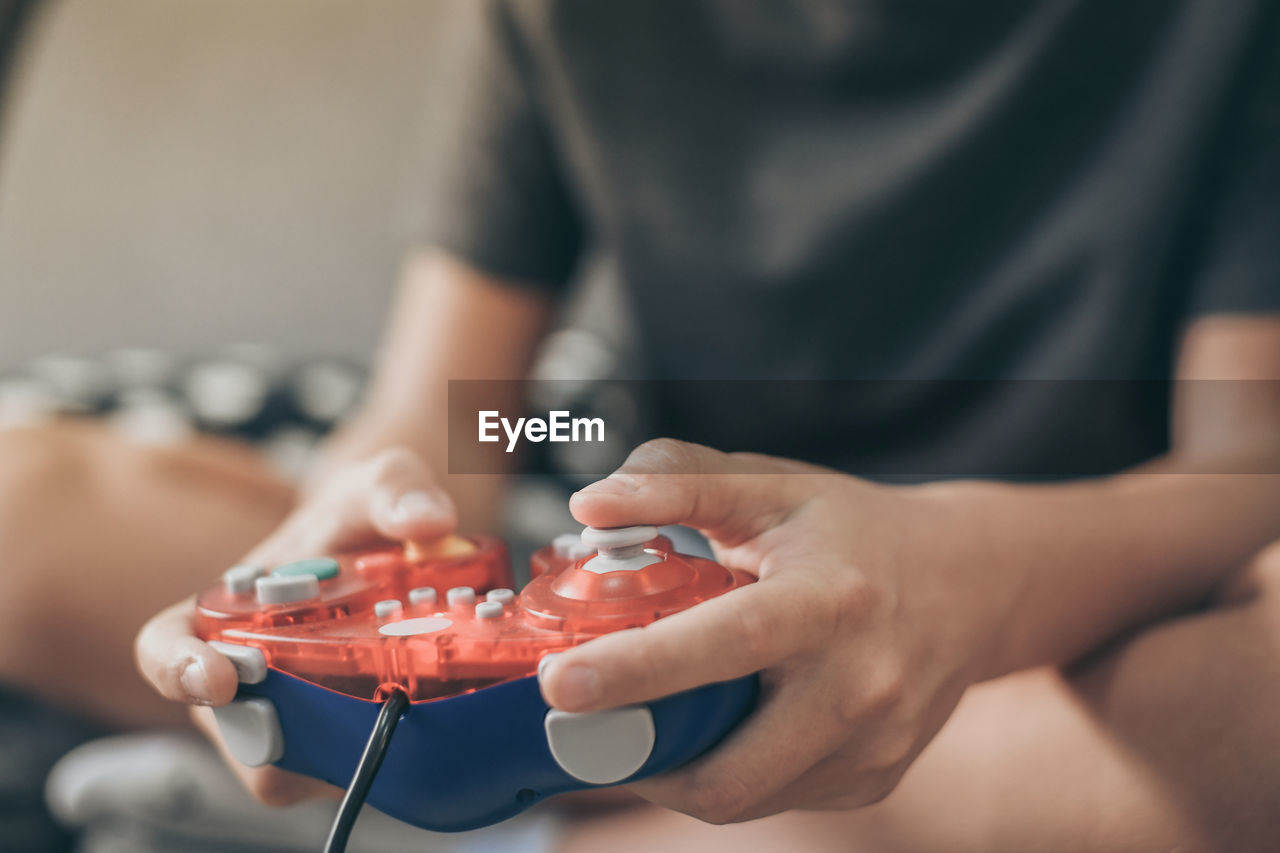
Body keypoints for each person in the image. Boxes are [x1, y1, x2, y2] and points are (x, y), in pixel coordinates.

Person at [3, 1, 1279, 849]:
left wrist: (962, 582)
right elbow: (449, 423)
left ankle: (507, 818)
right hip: (638, 560)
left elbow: (1246, 471)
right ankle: (496, 787)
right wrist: (372, 536)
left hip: (1071, 586)